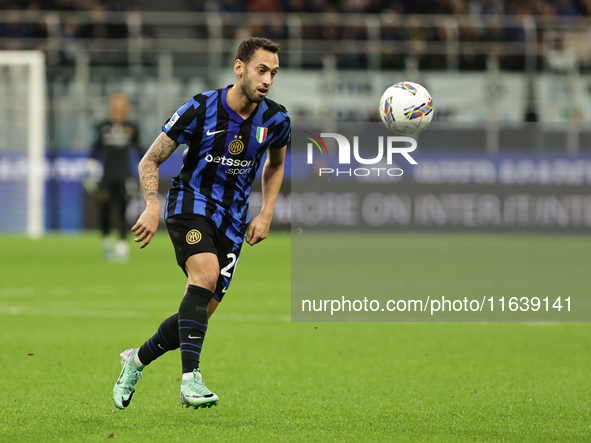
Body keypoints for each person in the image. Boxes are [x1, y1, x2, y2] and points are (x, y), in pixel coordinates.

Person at [112, 37, 290, 410]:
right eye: (261, 70)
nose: (267, 79)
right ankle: (190, 380)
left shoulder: (276, 119)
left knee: (194, 316)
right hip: (189, 206)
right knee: (205, 275)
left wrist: (267, 211)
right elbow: (149, 161)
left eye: (273, 73)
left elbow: (275, 164)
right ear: (239, 67)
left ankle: (136, 360)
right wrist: (150, 204)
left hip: (233, 221)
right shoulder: (199, 108)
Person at [87, 92, 143, 262]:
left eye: (122, 103)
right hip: (106, 176)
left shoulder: (132, 127)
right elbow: (94, 150)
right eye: (116, 103)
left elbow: (140, 151)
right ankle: (106, 241)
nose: (119, 107)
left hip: (125, 175)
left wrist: (144, 172)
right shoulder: (102, 126)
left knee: (123, 209)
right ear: (111, 105)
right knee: (104, 209)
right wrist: (90, 171)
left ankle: (122, 244)